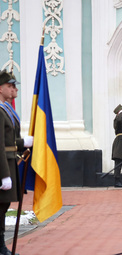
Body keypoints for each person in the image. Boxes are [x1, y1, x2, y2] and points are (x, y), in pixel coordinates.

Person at [0, 70, 33, 255]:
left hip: (10, 162)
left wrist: (23, 143)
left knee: (3, 207)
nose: (14, 89)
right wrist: (4, 175)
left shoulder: (5, 110)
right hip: (3, 165)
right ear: (0, 88)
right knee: (0, 207)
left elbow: (9, 140)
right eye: (10, 86)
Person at [111, 104, 122, 188]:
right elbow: (119, 119)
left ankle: (117, 180)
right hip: (120, 142)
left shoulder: (121, 121)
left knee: (119, 162)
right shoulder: (118, 119)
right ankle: (117, 181)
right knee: (118, 162)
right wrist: (120, 113)